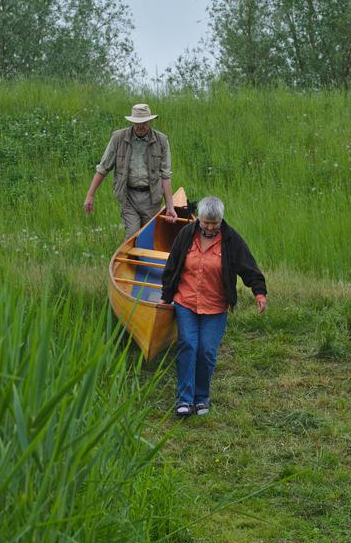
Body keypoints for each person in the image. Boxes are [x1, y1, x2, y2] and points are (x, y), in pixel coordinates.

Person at [161, 196, 268, 417]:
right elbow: (172, 266)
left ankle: (202, 398)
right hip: (186, 301)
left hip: (215, 305)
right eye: (206, 222)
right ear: (198, 218)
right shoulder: (186, 235)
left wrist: (259, 292)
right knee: (188, 345)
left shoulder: (231, 240)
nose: (210, 227)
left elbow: (248, 266)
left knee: (207, 351)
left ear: (221, 220)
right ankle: (185, 399)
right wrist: (165, 296)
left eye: (214, 223)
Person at [84, 103, 178, 238]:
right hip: (129, 196)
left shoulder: (161, 140)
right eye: (136, 123)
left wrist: (170, 207)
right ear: (132, 122)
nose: (140, 126)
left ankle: (143, 258)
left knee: (148, 237)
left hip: (152, 197)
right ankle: (128, 257)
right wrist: (90, 195)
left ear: (150, 121)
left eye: (144, 122)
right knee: (132, 234)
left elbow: (165, 175)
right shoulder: (118, 138)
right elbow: (103, 169)